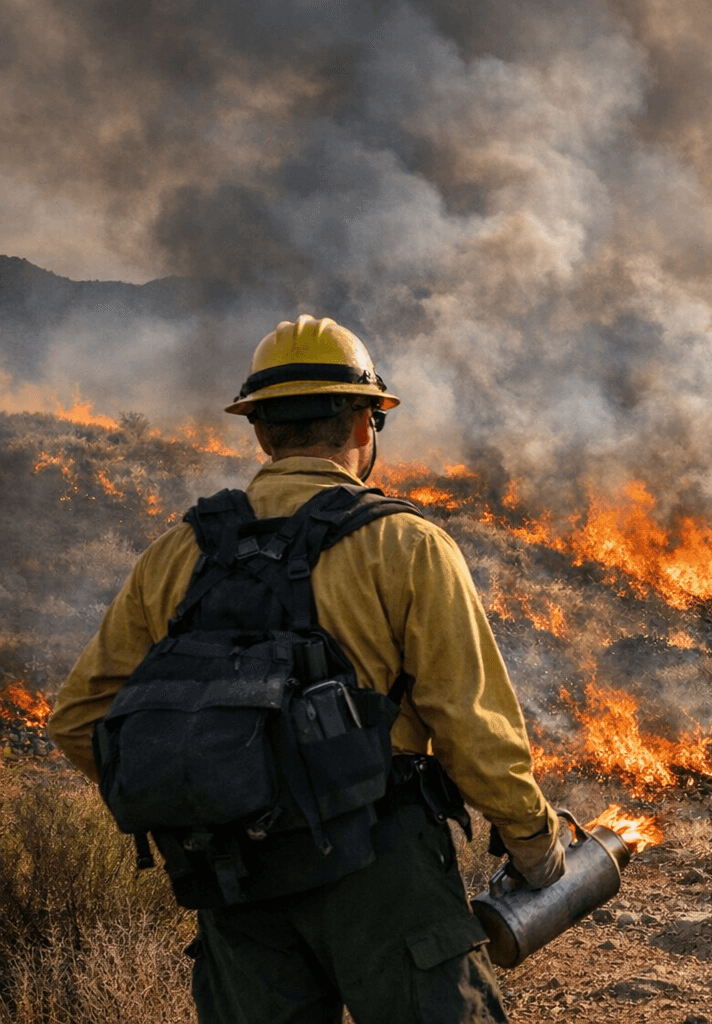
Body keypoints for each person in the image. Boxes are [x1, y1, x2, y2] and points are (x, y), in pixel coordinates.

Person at [48, 315, 564, 1024]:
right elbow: (474, 728)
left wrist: (204, 794)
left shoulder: (180, 553)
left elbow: (78, 718)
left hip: (235, 875)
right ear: (364, 426)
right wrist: (536, 847)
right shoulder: (406, 544)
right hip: (382, 868)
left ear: (260, 432)